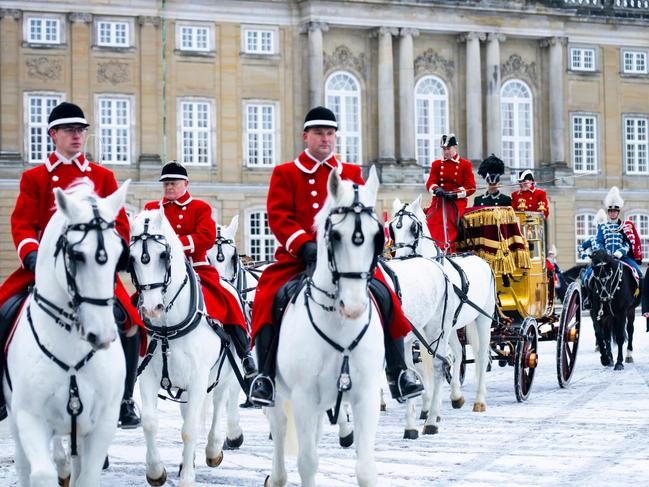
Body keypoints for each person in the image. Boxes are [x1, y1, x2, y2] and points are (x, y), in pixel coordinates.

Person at [248, 106, 423, 407]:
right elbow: (279, 217)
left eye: (330, 134)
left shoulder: (352, 174)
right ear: (306, 137)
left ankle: (398, 371)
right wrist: (305, 246)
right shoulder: (285, 173)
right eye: (319, 134)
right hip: (297, 258)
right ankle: (265, 377)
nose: (325, 139)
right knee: (268, 299)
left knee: (385, 295)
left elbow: (363, 216)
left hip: (348, 261)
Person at [0, 102, 142, 427]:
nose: (77, 136)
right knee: (3, 312)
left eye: (81, 130)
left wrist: (114, 252)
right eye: (69, 130)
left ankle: (124, 398)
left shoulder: (102, 176)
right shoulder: (35, 177)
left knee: (131, 323)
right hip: (45, 270)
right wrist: (32, 254)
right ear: (53, 134)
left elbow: (119, 223)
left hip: (91, 272)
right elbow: (21, 222)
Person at [143, 161, 257, 381]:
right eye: (165, 183)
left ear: (186, 183)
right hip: (158, 273)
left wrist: (173, 246)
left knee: (229, 297)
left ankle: (245, 356)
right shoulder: (152, 209)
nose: (169, 187)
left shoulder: (201, 208)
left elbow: (206, 237)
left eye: (173, 183)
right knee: (132, 303)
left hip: (196, 267)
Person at [424, 134, 476, 252]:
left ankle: (445, 249)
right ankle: (430, 248)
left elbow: (471, 187)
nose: (446, 152)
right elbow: (430, 183)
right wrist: (436, 189)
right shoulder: (436, 164)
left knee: (448, 224)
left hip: (455, 202)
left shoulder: (465, 164)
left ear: (455, 148)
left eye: (448, 149)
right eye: (444, 149)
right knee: (431, 222)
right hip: (439, 200)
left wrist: (456, 194)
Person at [594, 186, 643, 278]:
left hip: (622, 257)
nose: (613, 213)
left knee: (639, 273)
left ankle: (643, 292)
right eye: (611, 211)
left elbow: (628, 243)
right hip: (605, 258)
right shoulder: (603, 226)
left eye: (615, 211)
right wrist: (604, 252)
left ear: (618, 212)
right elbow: (599, 242)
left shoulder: (624, 226)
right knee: (588, 274)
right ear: (608, 213)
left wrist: (620, 252)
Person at [579, 209, 607, 310]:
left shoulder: (609, 237)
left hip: (608, 263)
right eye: (599, 226)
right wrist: (585, 257)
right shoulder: (592, 239)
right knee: (586, 277)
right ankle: (587, 298)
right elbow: (580, 248)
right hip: (595, 264)